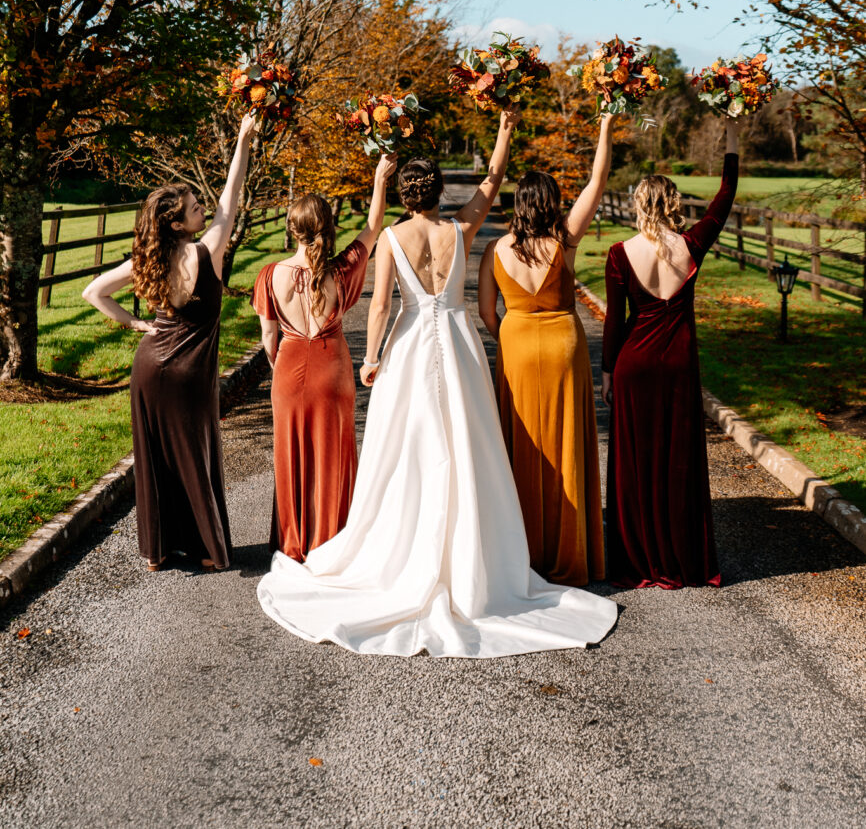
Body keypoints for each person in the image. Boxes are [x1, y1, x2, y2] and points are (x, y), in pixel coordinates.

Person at [256, 110, 618, 657]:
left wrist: (371, 356)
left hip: (408, 348)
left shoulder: (393, 239)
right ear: (440, 191)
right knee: (467, 446)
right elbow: (493, 183)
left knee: (405, 451)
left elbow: (380, 305)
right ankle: (474, 559)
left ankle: (401, 550)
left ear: (405, 194)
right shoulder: (459, 229)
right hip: (457, 345)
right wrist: (503, 132)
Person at [83, 114, 256, 572]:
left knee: (156, 457)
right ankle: (207, 551)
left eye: (200, 205)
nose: (203, 211)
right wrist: (241, 141)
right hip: (190, 374)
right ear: (178, 224)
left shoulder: (148, 257)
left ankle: (158, 554)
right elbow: (231, 199)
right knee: (196, 454)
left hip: (150, 366)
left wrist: (137, 326)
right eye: (194, 208)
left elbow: (92, 293)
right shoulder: (207, 251)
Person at [601, 119, 740, 589]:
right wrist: (733, 133)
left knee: (636, 465)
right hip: (678, 364)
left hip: (632, 367)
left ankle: (639, 560)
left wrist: (605, 372)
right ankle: (681, 559)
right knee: (677, 463)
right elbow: (725, 195)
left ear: (639, 204)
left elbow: (614, 321)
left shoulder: (620, 254)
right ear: (674, 204)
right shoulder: (693, 245)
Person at [477, 114, 614, 586]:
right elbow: (598, 181)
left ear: (518, 204)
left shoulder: (496, 250)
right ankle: (568, 547)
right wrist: (605, 125)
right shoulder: (564, 241)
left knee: (521, 448)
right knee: (566, 444)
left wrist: (511, 338)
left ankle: (522, 552)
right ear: (553, 203)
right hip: (563, 346)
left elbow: (485, 312)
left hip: (516, 349)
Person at [251, 152, 398, 561]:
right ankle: (334, 539)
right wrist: (379, 179)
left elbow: (268, 337)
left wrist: (280, 365)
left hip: (289, 367)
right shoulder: (341, 270)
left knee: (292, 453)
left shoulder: (269, 275)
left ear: (291, 229)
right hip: (333, 369)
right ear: (329, 229)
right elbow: (372, 227)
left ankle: (295, 541)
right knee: (334, 454)